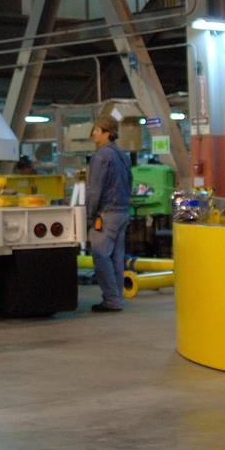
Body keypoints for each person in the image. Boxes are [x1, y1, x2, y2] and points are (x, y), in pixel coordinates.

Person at [87, 114, 131, 313]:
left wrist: (89, 214)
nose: (93, 134)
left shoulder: (101, 155)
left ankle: (111, 300)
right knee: (116, 257)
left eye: (96, 130)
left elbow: (95, 189)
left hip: (107, 213)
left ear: (106, 133)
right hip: (122, 212)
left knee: (100, 255)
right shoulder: (122, 155)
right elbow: (129, 181)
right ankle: (117, 297)